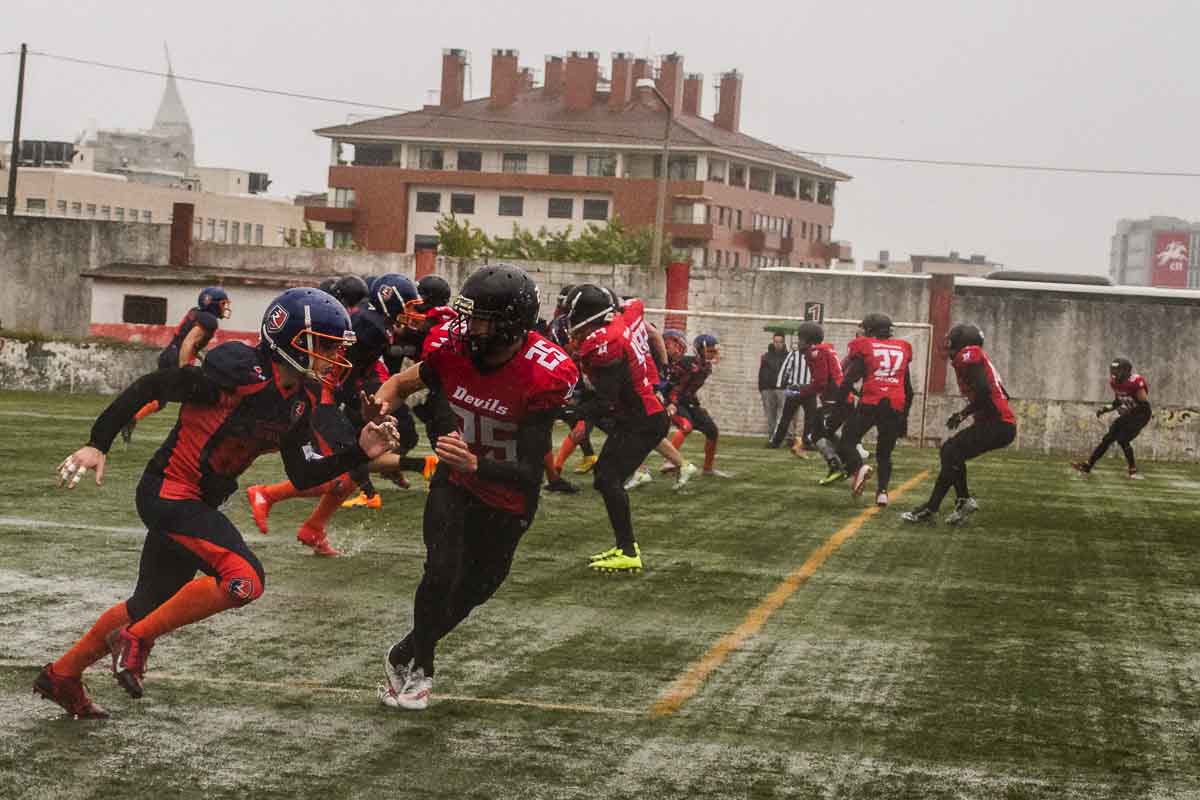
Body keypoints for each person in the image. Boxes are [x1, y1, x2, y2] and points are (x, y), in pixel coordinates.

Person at [35, 288, 401, 719]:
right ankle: (137, 638)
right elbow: (154, 385)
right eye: (322, 345)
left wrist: (360, 452)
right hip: (170, 493)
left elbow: (303, 474)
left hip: (197, 506)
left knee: (147, 602)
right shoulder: (241, 371)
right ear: (287, 336)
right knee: (245, 580)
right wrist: (98, 443)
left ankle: (63, 674)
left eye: (334, 348)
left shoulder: (298, 401)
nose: (329, 357)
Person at [372, 264, 577, 711]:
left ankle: (403, 652)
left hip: (509, 493)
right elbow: (400, 384)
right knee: (441, 570)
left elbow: (529, 470)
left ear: (509, 326)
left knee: (473, 592)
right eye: (468, 316)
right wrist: (376, 417)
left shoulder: (542, 375)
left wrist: (476, 462)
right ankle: (422, 671)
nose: (468, 328)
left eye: (480, 319)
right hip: (456, 481)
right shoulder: (452, 349)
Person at [246, 274, 426, 555]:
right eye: (411, 306)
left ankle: (314, 527)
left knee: (355, 466)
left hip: (343, 394)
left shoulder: (378, 325)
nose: (415, 314)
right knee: (337, 470)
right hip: (326, 396)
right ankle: (267, 494)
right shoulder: (371, 326)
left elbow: (354, 366)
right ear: (392, 300)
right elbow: (335, 360)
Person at [562, 284, 669, 573]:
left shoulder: (603, 343)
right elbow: (636, 308)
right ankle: (624, 546)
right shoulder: (623, 317)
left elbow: (606, 400)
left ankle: (628, 550)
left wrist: (573, 411)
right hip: (639, 413)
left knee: (608, 479)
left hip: (642, 418)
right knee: (605, 478)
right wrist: (661, 370)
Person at [902, 323, 1017, 525]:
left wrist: (964, 414)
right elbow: (997, 393)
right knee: (952, 455)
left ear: (963, 343)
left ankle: (941, 505)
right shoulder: (975, 358)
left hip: (998, 423)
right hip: (999, 422)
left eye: (952, 343)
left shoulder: (969, 355)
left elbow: (983, 391)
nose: (950, 348)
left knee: (950, 451)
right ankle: (949, 503)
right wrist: (965, 414)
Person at [120, 287, 231, 443]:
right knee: (195, 396)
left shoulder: (196, 313)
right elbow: (188, 342)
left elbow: (189, 343)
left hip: (170, 354)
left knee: (162, 398)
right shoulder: (208, 321)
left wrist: (201, 358)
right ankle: (192, 434)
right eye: (222, 303)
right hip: (177, 358)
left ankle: (132, 417)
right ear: (212, 304)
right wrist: (184, 368)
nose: (225, 307)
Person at [835, 313, 913, 507]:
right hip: (895, 405)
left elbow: (849, 379)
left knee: (846, 441)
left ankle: (858, 468)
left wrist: (837, 405)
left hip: (871, 401)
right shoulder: (901, 349)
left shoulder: (866, 347)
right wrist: (904, 417)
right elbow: (909, 389)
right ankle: (882, 493)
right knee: (884, 454)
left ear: (870, 330)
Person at [1071, 357, 1151, 480]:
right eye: (1113, 371)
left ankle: (1133, 471)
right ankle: (1088, 465)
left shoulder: (1135, 382)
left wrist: (1128, 410)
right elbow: (1118, 401)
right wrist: (1105, 409)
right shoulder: (1114, 383)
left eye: (1117, 371)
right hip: (1129, 413)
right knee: (1108, 439)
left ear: (1125, 371)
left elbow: (1143, 403)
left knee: (1123, 440)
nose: (1114, 374)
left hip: (1141, 415)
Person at [663, 334, 726, 478]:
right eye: (710, 351)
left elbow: (689, 388)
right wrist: (671, 403)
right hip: (675, 402)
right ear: (700, 349)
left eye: (714, 351)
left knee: (712, 431)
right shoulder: (686, 363)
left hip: (689, 402)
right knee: (686, 426)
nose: (713, 354)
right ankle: (669, 461)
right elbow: (673, 384)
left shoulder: (706, 366)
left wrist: (695, 404)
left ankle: (708, 469)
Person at [759, 333, 789, 442]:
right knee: (770, 414)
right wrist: (762, 388)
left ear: (783, 342)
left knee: (782, 414)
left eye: (780, 342)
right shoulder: (766, 356)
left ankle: (782, 436)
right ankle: (772, 435)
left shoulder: (788, 356)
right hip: (767, 388)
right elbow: (762, 373)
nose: (778, 344)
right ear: (773, 342)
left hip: (782, 388)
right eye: (776, 341)